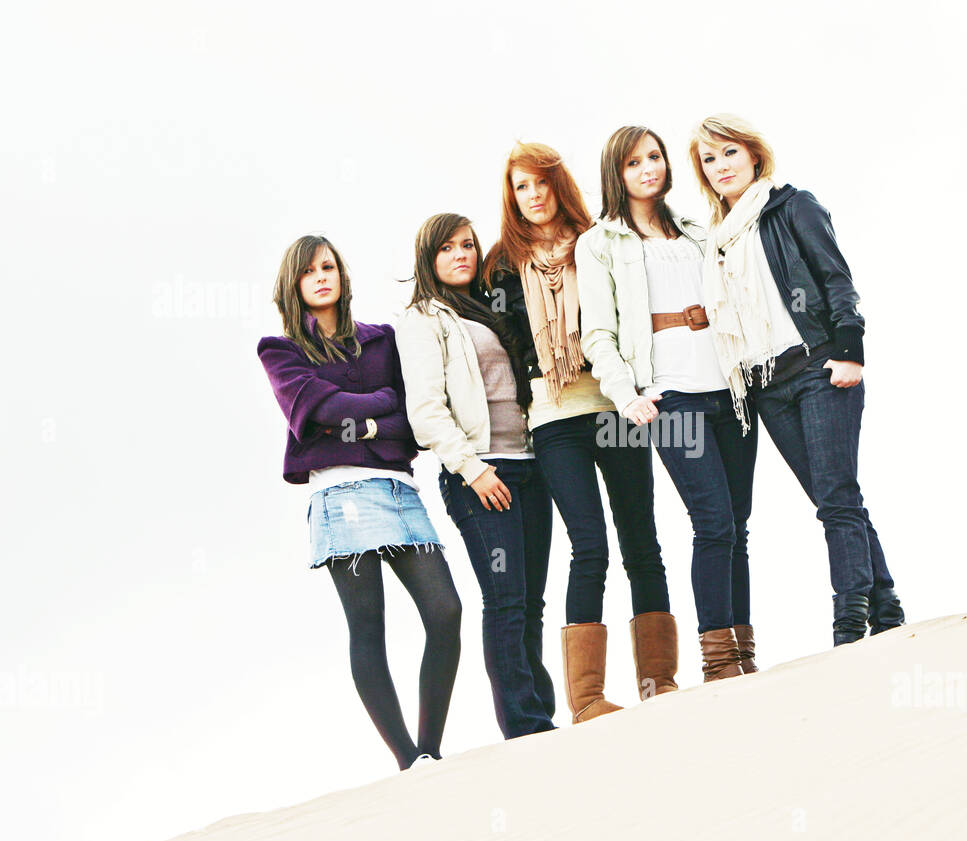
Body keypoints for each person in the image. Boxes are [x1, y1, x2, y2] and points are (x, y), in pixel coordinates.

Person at [687, 115, 906, 645]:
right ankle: (888, 605)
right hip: (766, 386)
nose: (720, 167)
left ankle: (850, 621)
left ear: (754, 155)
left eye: (729, 153)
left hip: (819, 367)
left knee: (836, 495)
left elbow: (836, 278)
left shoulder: (792, 206)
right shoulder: (717, 239)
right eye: (709, 160)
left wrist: (851, 350)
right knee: (834, 499)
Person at [483, 142, 675, 719]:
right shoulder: (500, 265)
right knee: (589, 545)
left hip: (617, 405)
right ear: (511, 196)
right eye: (521, 186)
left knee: (642, 539)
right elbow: (502, 348)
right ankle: (587, 697)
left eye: (541, 182)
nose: (533, 194)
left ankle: (658, 683)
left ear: (559, 184)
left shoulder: (600, 242)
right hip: (553, 418)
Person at [257, 235, 461, 771]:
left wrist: (361, 419)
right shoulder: (279, 351)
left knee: (446, 612)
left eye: (329, 267)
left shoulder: (382, 341)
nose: (322, 276)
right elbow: (313, 408)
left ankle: (429, 749)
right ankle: (407, 759)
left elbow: (411, 421)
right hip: (339, 494)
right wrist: (377, 411)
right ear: (293, 285)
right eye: (309, 271)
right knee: (368, 627)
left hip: (399, 490)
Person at [578, 125, 756, 682]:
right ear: (617, 173)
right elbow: (597, 333)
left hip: (728, 388)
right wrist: (626, 395)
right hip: (671, 398)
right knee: (713, 522)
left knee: (739, 525)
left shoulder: (700, 231)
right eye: (634, 163)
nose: (648, 169)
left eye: (654, 157)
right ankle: (719, 660)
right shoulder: (600, 242)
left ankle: (744, 654)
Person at [395, 213, 556, 740]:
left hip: (529, 465)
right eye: (447, 248)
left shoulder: (490, 308)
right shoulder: (424, 319)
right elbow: (426, 411)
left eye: (468, 245)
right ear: (428, 258)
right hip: (481, 473)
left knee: (532, 600)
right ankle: (523, 725)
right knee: (506, 598)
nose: (462, 255)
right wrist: (472, 469)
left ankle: (542, 713)